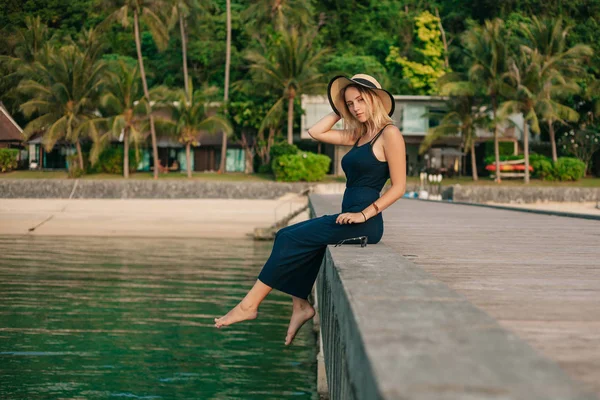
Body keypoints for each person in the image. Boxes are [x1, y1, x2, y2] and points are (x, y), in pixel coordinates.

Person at [214, 74, 406, 345]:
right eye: (350, 104)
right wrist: (338, 110)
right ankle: (300, 305)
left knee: (290, 237)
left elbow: (399, 187)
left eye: (360, 100)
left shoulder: (390, 134)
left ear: (375, 99)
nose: (355, 108)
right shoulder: (360, 135)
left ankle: (249, 306)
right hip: (348, 216)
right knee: (287, 236)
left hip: (364, 222)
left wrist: (364, 214)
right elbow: (316, 132)